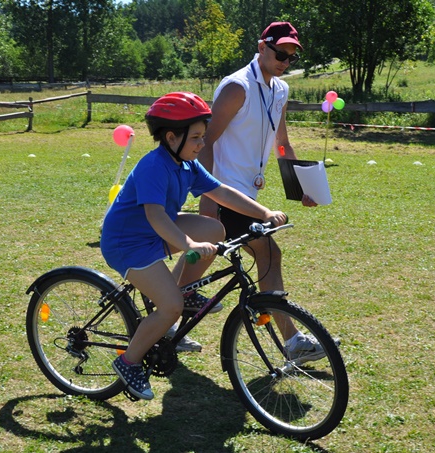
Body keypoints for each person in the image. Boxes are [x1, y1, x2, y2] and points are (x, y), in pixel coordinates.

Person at [100, 92, 287, 400]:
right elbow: (156, 215)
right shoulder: (153, 166)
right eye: (196, 137)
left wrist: (264, 213)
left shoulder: (187, 164)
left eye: (203, 136)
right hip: (128, 243)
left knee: (214, 228)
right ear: (171, 137)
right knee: (170, 306)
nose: (203, 143)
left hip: (154, 232)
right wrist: (189, 244)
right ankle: (128, 361)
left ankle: (183, 292)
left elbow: (221, 192)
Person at [198, 22, 329, 363]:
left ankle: (162, 317)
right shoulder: (237, 87)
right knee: (269, 253)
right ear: (261, 47)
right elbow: (205, 142)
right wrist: (208, 200)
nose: (285, 61)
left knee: (202, 255)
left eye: (291, 57)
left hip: (248, 194)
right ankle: (293, 341)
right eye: (280, 53)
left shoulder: (280, 89)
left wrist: (301, 187)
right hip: (225, 191)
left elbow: (282, 143)